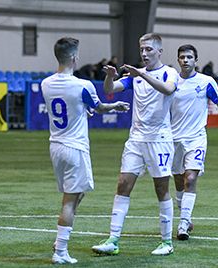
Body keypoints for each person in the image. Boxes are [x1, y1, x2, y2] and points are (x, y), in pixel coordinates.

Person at [41, 37, 130, 264]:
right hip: (75, 147)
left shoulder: (46, 84)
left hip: (56, 146)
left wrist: (82, 111)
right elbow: (98, 107)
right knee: (69, 201)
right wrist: (116, 106)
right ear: (74, 57)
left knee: (76, 194)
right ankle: (60, 251)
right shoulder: (82, 85)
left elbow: (72, 107)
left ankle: (59, 242)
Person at [92, 33, 178, 256]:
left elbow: (168, 89)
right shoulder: (135, 77)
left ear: (160, 51)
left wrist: (141, 74)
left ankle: (167, 242)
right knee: (123, 184)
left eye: (149, 49)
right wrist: (110, 76)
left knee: (161, 188)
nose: (144, 53)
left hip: (159, 139)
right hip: (136, 140)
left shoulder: (169, 72)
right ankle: (113, 239)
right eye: (142, 49)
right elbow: (110, 90)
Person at [171, 44, 218, 240]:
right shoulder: (171, 81)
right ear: (178, 60)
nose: (185, 60)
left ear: (196, 60)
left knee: (190, 179)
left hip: (196, 138)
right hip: (173, 139)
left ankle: (183, 223)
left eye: (189, 57)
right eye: (182, 57)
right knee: (178, 179)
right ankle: (185, 214)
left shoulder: (206, 81)